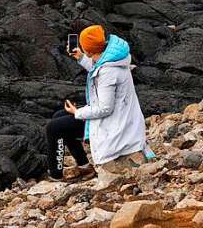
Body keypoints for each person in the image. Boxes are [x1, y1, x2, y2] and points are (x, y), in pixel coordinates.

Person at [62, 25, 149, 183]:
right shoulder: (114, 59)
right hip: (125, 122)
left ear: (89, 49)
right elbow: (99, 69)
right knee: (58, 118)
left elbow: (105, 108)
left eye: (83, 46)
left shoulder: (108, 72)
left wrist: (78, 112)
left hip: (118, 133)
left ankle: (61, 172)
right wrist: (82, 58)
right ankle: (82, 165)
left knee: (55, 126)